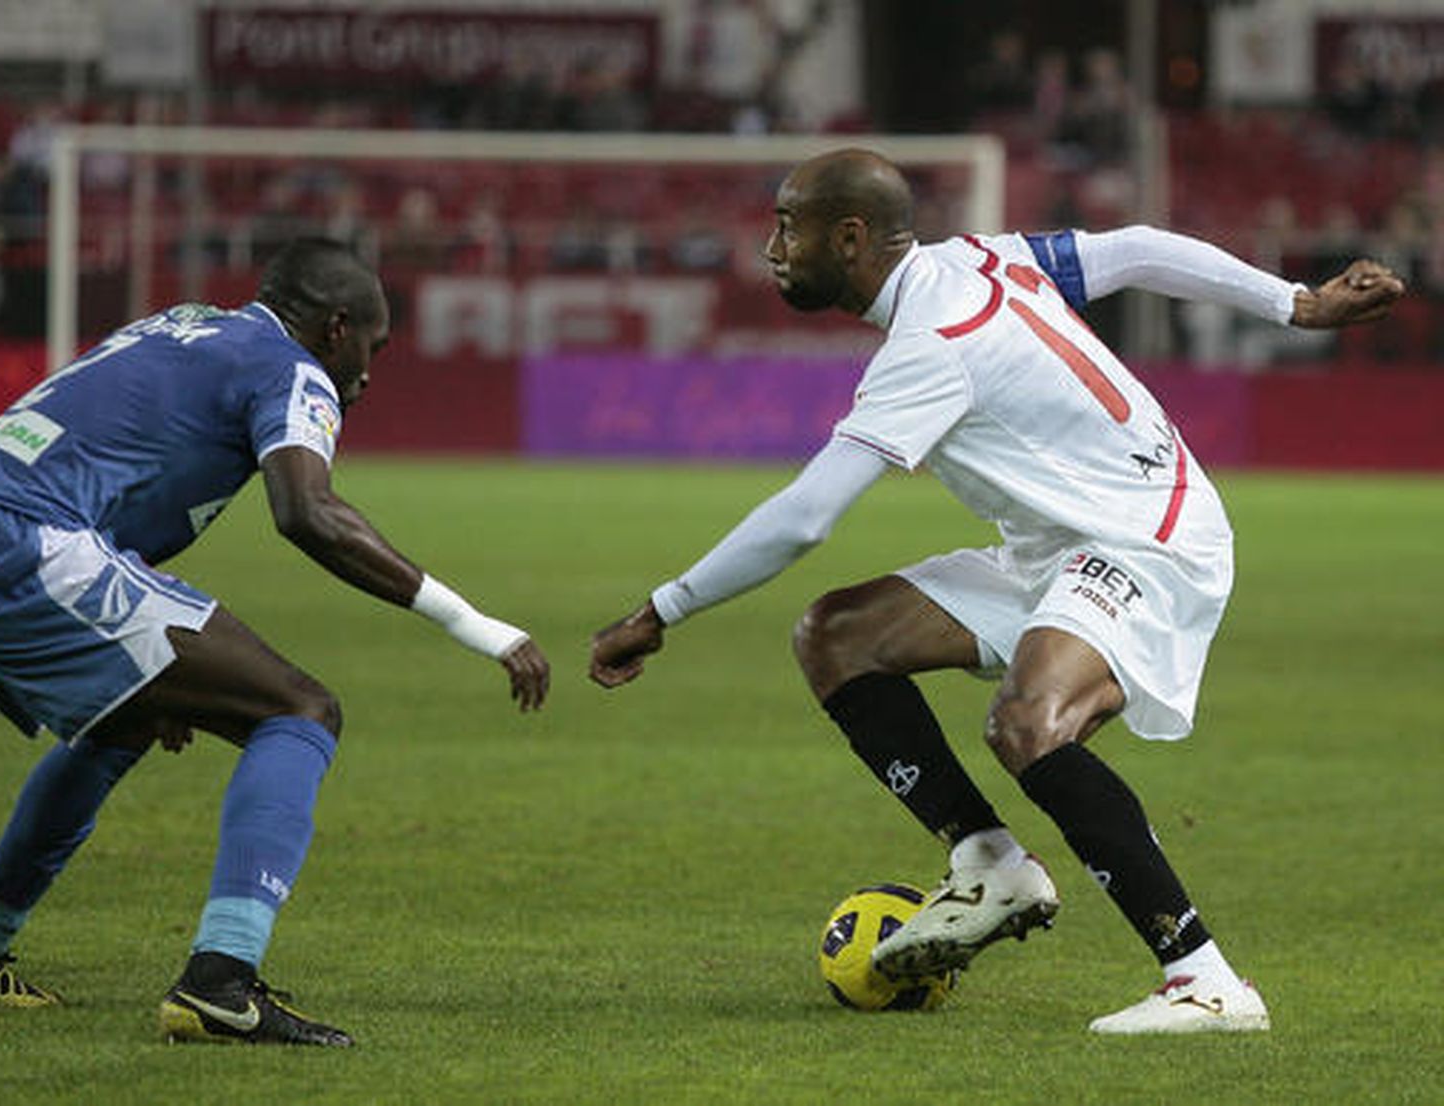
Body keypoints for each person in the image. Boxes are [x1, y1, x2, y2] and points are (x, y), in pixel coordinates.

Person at [589, 149, 1403, 1034]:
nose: (773, 245)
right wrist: (1297, 302)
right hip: (1056, 544)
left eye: (790, 225)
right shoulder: (984, 256)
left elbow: (804, 518)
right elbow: (1134, 248)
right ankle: (988, 863)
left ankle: (1205, 981)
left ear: (850, 237)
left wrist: (660, 610)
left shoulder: (929, 348)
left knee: (1026, 725)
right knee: (836, 635)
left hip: (1149, 538)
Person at [0, 237, 550, 1047]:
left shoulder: (179, 323)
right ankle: (221, 982)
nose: (370, 374)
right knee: (300, 711)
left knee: (117, 725)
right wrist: (476, 624)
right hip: (20, 544)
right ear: (336, 328)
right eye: (373, 347)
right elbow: (308, 512)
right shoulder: (291, 366)